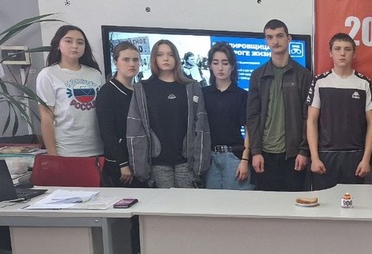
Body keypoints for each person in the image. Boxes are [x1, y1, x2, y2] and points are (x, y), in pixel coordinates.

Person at [127, 39, 210, 188]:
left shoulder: (191, 87)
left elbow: (201, 127)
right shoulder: (142, 88)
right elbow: (135, 130)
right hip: (157, 162)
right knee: (164, 202)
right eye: (160, 54)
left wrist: (200, 163)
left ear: (176, 58)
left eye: (170, 54)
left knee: (189, 202)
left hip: (187, 162)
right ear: (154, 58)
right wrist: (140, 168)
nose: (165, 58)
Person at [247, 19, 312, 191]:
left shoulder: (303, 75)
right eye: (270, 37)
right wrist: (256, 152)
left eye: (279, 36)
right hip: (264, 155)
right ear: (266, 41)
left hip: (293, 155)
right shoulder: (257, 75)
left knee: (294, 204)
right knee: (266, 205)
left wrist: (304, 151)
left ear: (289, 38)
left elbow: (308, 117)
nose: (275, 41)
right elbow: (252, 117)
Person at [306, 33, 372, 190]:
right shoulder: (320, 82)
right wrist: (314, 158)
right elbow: (311, 121)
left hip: (355, 157)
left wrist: (366, 159)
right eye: (337, 49)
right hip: (325, 156)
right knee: (324, 203)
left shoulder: (364, 83)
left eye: (347, 49)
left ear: (354, 53)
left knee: (354, 203)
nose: (342, 53)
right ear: (330, 53)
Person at [36, 25, 104, 157]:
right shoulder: (48, 74)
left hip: (98, 149)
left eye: (80, 42)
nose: (75, 46)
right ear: (58, 45)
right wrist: (52, 154)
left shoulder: (95, 74)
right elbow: (46, 117)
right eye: (68, 41)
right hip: (66, 150)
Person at [96, 41, 147, 187]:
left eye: (135, 60)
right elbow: (106, 131)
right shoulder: (108, 91)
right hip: (120, 163)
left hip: (139, 159)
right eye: (126, 60)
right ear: (116, 62)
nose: (132, 64)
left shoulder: (139, 90)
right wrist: (122, 163)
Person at [203, 42, 252, 190]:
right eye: (215, 63)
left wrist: (245, 159)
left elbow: (249, 130)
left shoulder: (242, 95)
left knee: (236, 201)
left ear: (232, 66)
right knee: (211, 202)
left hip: (234, 156)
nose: (220, 68)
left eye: (225, 63)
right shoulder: (203, 94)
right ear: (210, 66)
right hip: (209, 158)